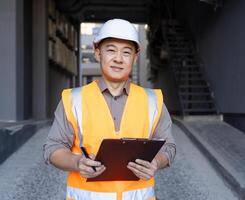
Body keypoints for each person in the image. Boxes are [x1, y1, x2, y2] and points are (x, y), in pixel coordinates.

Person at [43, 18, 176, 200]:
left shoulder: (153, 100)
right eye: (111, 50)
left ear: (135, 57)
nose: (118, 59)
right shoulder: (73, 100)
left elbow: (168, 146)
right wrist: (77, 162)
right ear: (97, 53)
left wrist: (156, 162)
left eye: (126, 52)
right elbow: (53, 148)